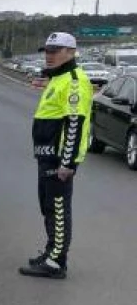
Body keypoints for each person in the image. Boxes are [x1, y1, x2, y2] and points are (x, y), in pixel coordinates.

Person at [20, 32, 93, 279]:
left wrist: (67, 163)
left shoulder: (73, 81)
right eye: (47, 51)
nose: (49, 56)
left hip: (58, 159)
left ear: (71, 52)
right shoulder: (58, 78)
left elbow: (75, 123)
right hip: (47, 155)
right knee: (48, 206)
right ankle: (51, 252)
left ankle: (56, 263)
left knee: (58, 209)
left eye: (56, 50)